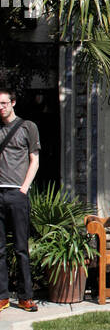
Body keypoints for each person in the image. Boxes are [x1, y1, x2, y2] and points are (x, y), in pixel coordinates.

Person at [0, 87, 40, 312]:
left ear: (13, 102)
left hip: (17, 193)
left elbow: (34, 160)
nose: (1, 108)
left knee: (21, 248)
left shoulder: (28, 127)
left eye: (4, 103)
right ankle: (2, 297)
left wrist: (24, 188)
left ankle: (26, 297)